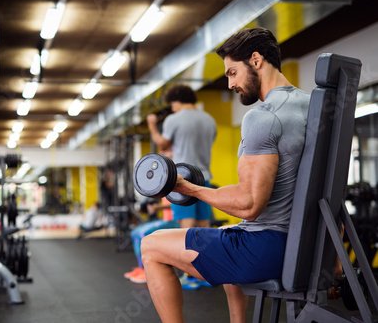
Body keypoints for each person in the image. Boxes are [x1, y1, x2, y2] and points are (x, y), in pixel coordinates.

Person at [140, 27, 311, 323]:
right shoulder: (311, 106)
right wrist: (333, 264)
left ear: (256, 60)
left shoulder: (262, 117)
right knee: (223, 232)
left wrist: (188, 188)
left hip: (266, 250)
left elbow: (249, 205)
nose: (230, 83)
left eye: (233, 72)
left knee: (151, 244)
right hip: (307, 247)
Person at [146, 84, 217, 229]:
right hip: (204, 178)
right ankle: (205, 253)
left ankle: (187, 252)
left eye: (172, 104)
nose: (172, 109)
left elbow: (163, 144)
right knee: (204, 223)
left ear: (178, 100)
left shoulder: (174, 119)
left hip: (182, 179)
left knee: (186, 223)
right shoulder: (210, 120)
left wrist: (151, 126)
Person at [123, 197, 179, 284]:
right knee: (134, 232)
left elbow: (179, 204)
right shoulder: (163, 190)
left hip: (175, 221)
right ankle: (141, 267)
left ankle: (147, 270)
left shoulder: (175, 189)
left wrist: (158, 207)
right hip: (165, 220)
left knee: (143, 234)